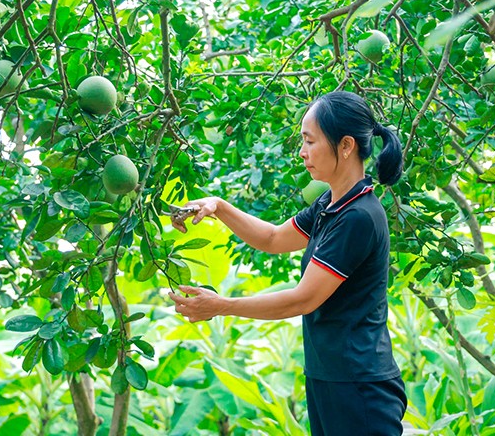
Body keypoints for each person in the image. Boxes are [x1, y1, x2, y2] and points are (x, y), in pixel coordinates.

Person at [168, 91, 407, 436]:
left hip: (359, 387)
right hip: (330, 378)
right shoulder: (332, 204)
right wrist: (218, 207)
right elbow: (273, 239)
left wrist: (222, 306)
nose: (302, 152)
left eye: (310, 141)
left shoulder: (358, 217)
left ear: (345, 146)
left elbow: (303, 298)